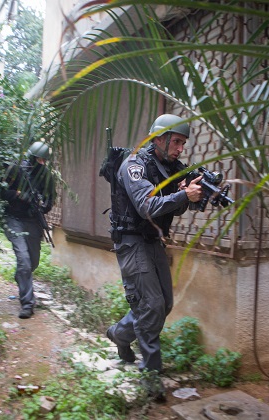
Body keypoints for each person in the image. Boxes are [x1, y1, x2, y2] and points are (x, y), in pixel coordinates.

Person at [105, 113, 203, 401]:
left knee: (164, 304)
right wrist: (184, 196)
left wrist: (192, 193)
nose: (180, 149)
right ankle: (150, 376)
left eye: (183, 144)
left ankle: (120, 334)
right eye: (176, 142)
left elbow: (173, 209)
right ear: (158, 139)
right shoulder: (134, 164)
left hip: (153, 241)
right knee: (151, 305)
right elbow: (147, 205)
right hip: (132, 241)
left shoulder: (171, 169)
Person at [0, 141, 55, 319]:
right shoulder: (15, 170)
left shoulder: (47, 177)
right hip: (14, 219)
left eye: (44, 160)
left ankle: (22, 276)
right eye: (39, 159)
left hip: (33, 220)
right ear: (32, 157)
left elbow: (50, 200)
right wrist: (20, 195)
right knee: (23, 260)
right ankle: (28, 304)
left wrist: (42, 205)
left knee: (32, 263)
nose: (42, 163)